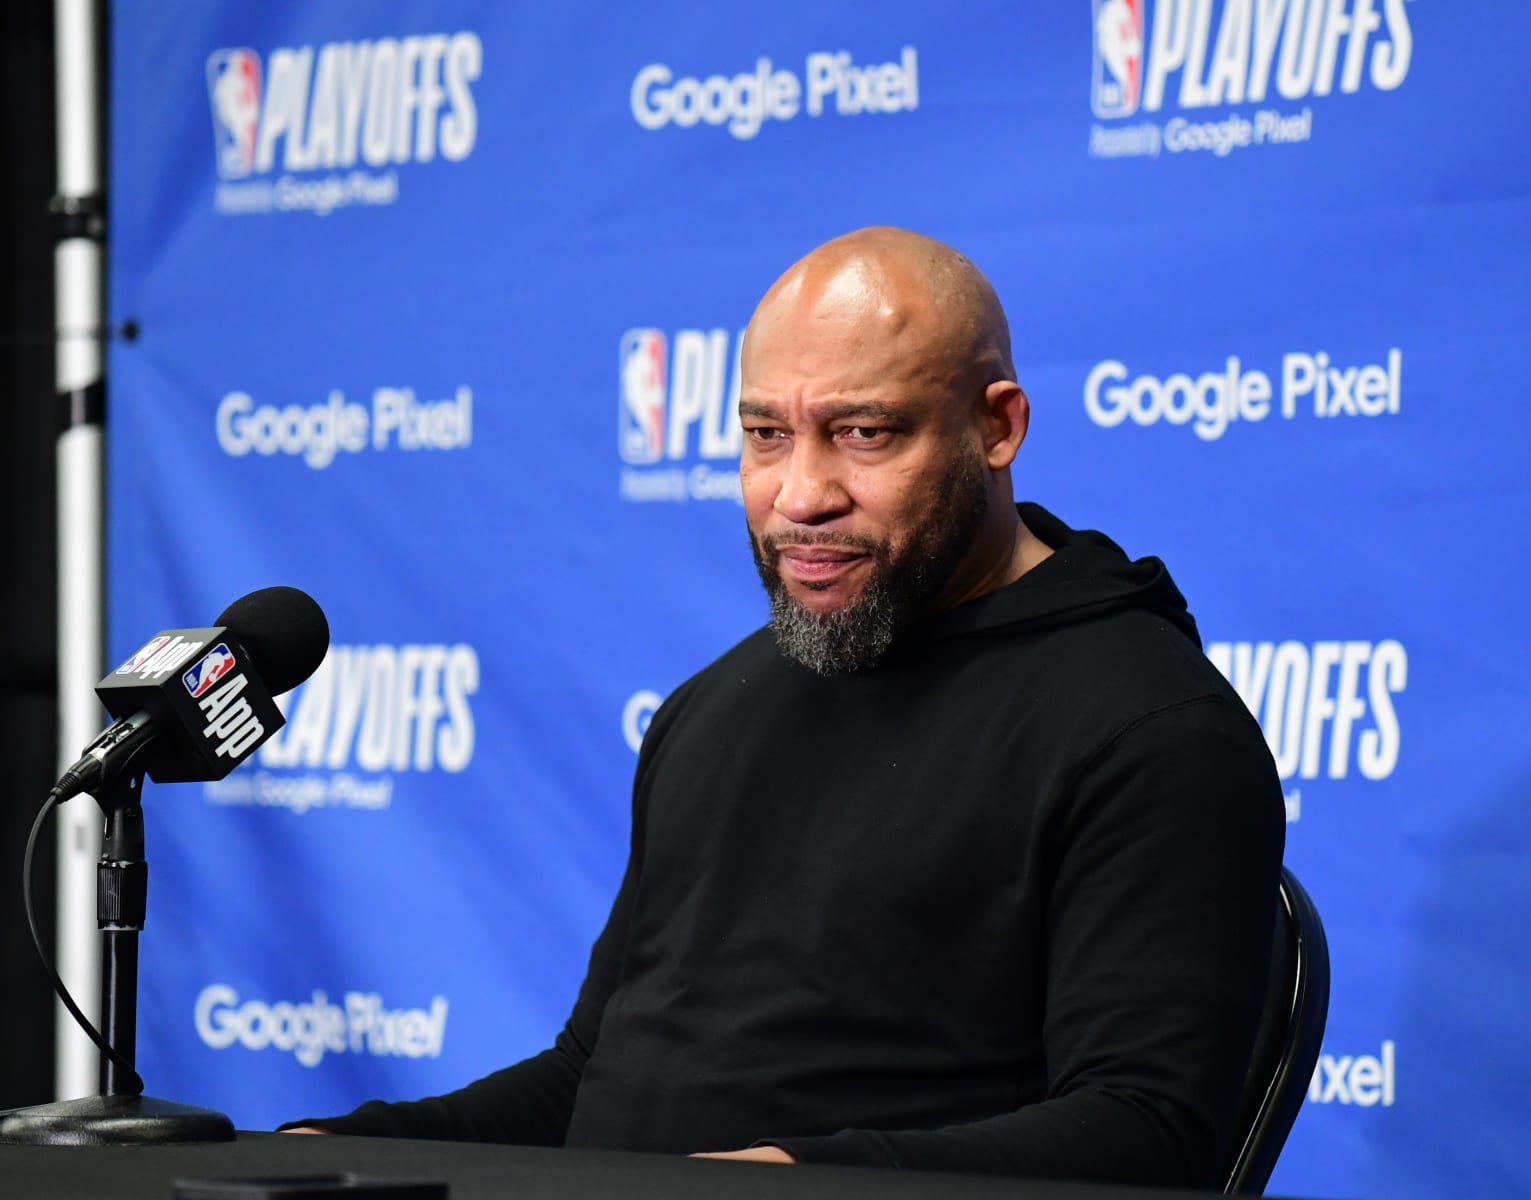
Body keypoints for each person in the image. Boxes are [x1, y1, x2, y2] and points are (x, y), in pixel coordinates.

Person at [282, 227, 1286, 1188]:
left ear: (998, 426)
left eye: (861, 433)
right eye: (766, 435)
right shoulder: (714, 708)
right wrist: (335, 1150)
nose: (801, 495)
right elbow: (593, 1084)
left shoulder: (1152, 730)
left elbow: (1147, 1139)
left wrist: (788, 1182)